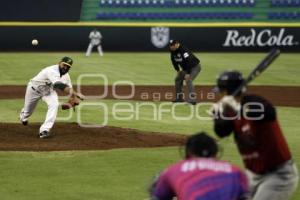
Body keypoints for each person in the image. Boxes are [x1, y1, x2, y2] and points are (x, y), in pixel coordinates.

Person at [211, 70, 299, 200]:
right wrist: (218, 116)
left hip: (278, 175)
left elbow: (270, 113)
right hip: (252, 175)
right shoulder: (228, 111)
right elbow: (222, 132)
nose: (219, 95)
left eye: (221, 92)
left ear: (227, 92)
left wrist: (237, 108)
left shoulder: (255, 102)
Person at [150, 132, 249, 200]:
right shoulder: (235, 172)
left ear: (188, 152)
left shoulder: (173, 171)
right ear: (216, 152)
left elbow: (158, 196)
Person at [19, 57, 81, 138]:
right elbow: (58, 85)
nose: (65, 67)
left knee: (54, 104)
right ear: (59, 63)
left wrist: (73, 98)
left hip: (48, 92)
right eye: (64, 65)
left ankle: (45, 130)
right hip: (34, 90)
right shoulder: (52, 70)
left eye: (68, 66)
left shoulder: (66, 75)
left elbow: (69, 88)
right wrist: (74, 94)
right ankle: (23, 115)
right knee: (28, 112)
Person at [169, 39, 201, 105]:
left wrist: (188, 73)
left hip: (194, 67)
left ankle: (192, 100)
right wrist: (177, 70)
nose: (171, 47)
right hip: (186, 68)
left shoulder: (183, 50)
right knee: (178, 78)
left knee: (188, 79)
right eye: (170, 45)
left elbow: (189, 61)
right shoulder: (172, 51)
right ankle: (179, 98)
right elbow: (173, 61)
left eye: (173, 45)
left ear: (177, 44)